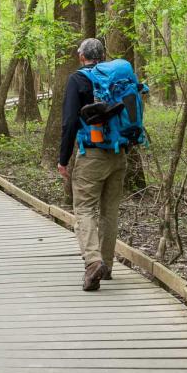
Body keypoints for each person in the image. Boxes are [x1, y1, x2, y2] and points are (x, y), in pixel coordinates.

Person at [58, 38, 127, 291]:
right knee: (109, 212)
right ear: (103, 55)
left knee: (85, 209)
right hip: (119, 154)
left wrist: (63, 159)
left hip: (92, 155)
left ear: (81, 56)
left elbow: (69, 123)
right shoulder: (116, 80)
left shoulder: (78, 80)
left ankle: (93, 262)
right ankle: (105, 266)